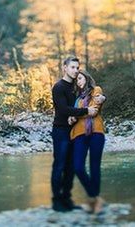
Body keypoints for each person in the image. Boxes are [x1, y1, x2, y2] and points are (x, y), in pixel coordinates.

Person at [50, 56, 98, 212]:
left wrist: (102, 98)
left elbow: (93, 93)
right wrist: (85, 111)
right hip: (61, 131)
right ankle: (57, 201)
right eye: (72, 67)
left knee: (71, 167)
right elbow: (63, 110)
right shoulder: (58, 87)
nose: (76, 70)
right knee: (59, 165)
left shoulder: (77, 87)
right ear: (64, 68)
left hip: (75, 131)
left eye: (77, 68)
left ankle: (67, 200)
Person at [69, 69, 106, 214]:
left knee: (94, 166)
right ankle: (94, 197)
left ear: (86, 78)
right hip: (79, 134)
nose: (78, 81)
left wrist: (101, 98)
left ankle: (94, 201)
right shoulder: (77, 99)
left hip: (96, 132)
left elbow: (95, 108)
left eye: (80, 78)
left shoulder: (95, 90)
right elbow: (74, 115)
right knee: (78, 167)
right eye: (76, 80)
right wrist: (72, 117)